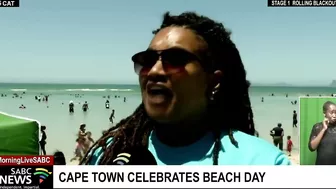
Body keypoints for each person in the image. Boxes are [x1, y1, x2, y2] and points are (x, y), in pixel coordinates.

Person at [80, 12, 290, 165]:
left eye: (175, 59)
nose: (154, 71)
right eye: (147, 59)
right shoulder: (108, 156)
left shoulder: (263, 163)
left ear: (213, 81)